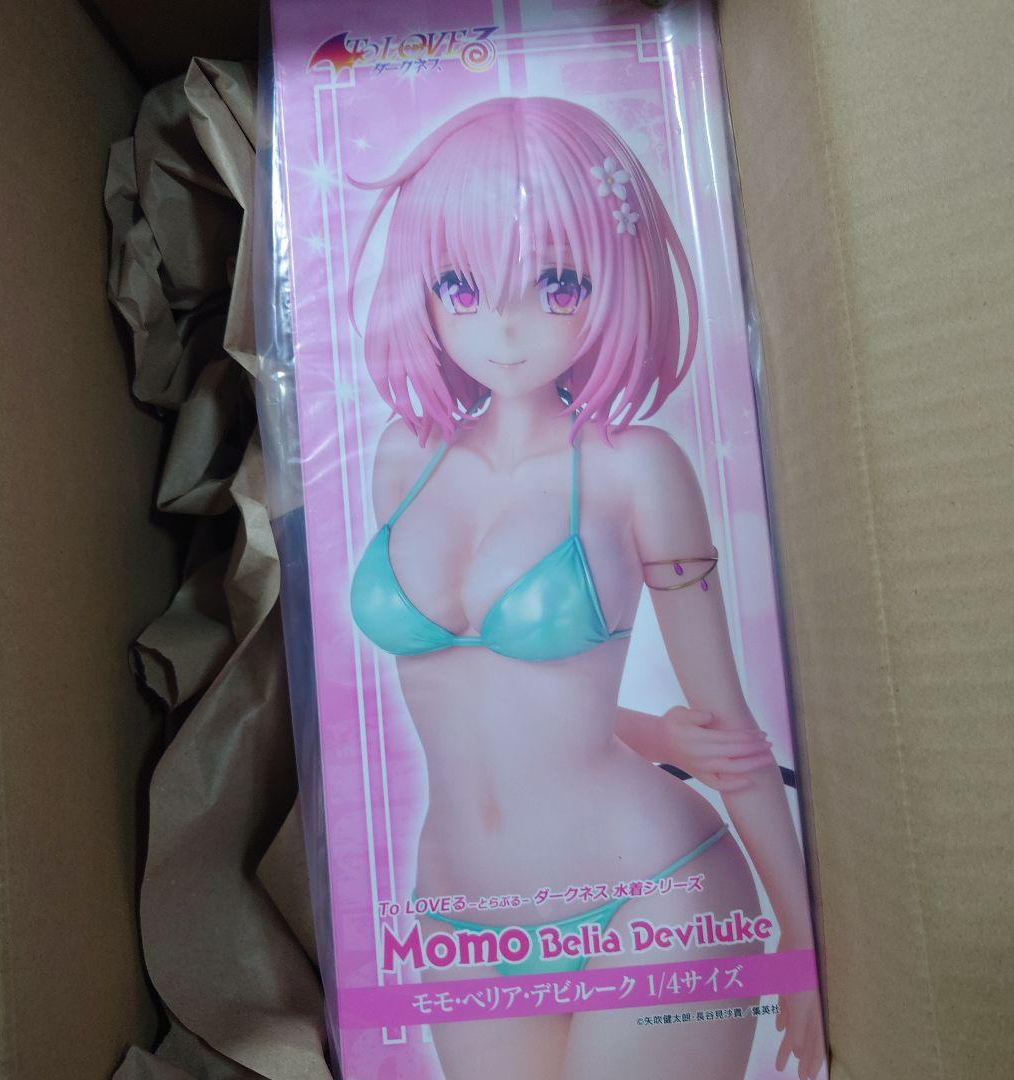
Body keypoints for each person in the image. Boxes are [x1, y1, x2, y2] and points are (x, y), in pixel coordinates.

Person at [348, 97, 824, 1080]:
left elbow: (731, 732)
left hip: (656, 894)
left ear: (614, 277)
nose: (504, 325)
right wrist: (653, 735)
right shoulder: (404, 458)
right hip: (460, 914)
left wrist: (800, 940)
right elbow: (505, 690)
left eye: (556, 282)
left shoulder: (635, 469)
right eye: (460, 283)